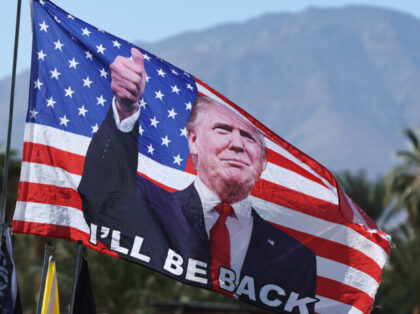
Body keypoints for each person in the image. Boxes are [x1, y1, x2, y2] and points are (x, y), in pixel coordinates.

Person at [78, 48, 317, 313]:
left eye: (249, 137)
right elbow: (102, 194)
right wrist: (125, 108)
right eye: (223, 129)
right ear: (193, 141)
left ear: (263, 161)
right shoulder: (149, 205)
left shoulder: (297, 257)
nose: (237, 144)